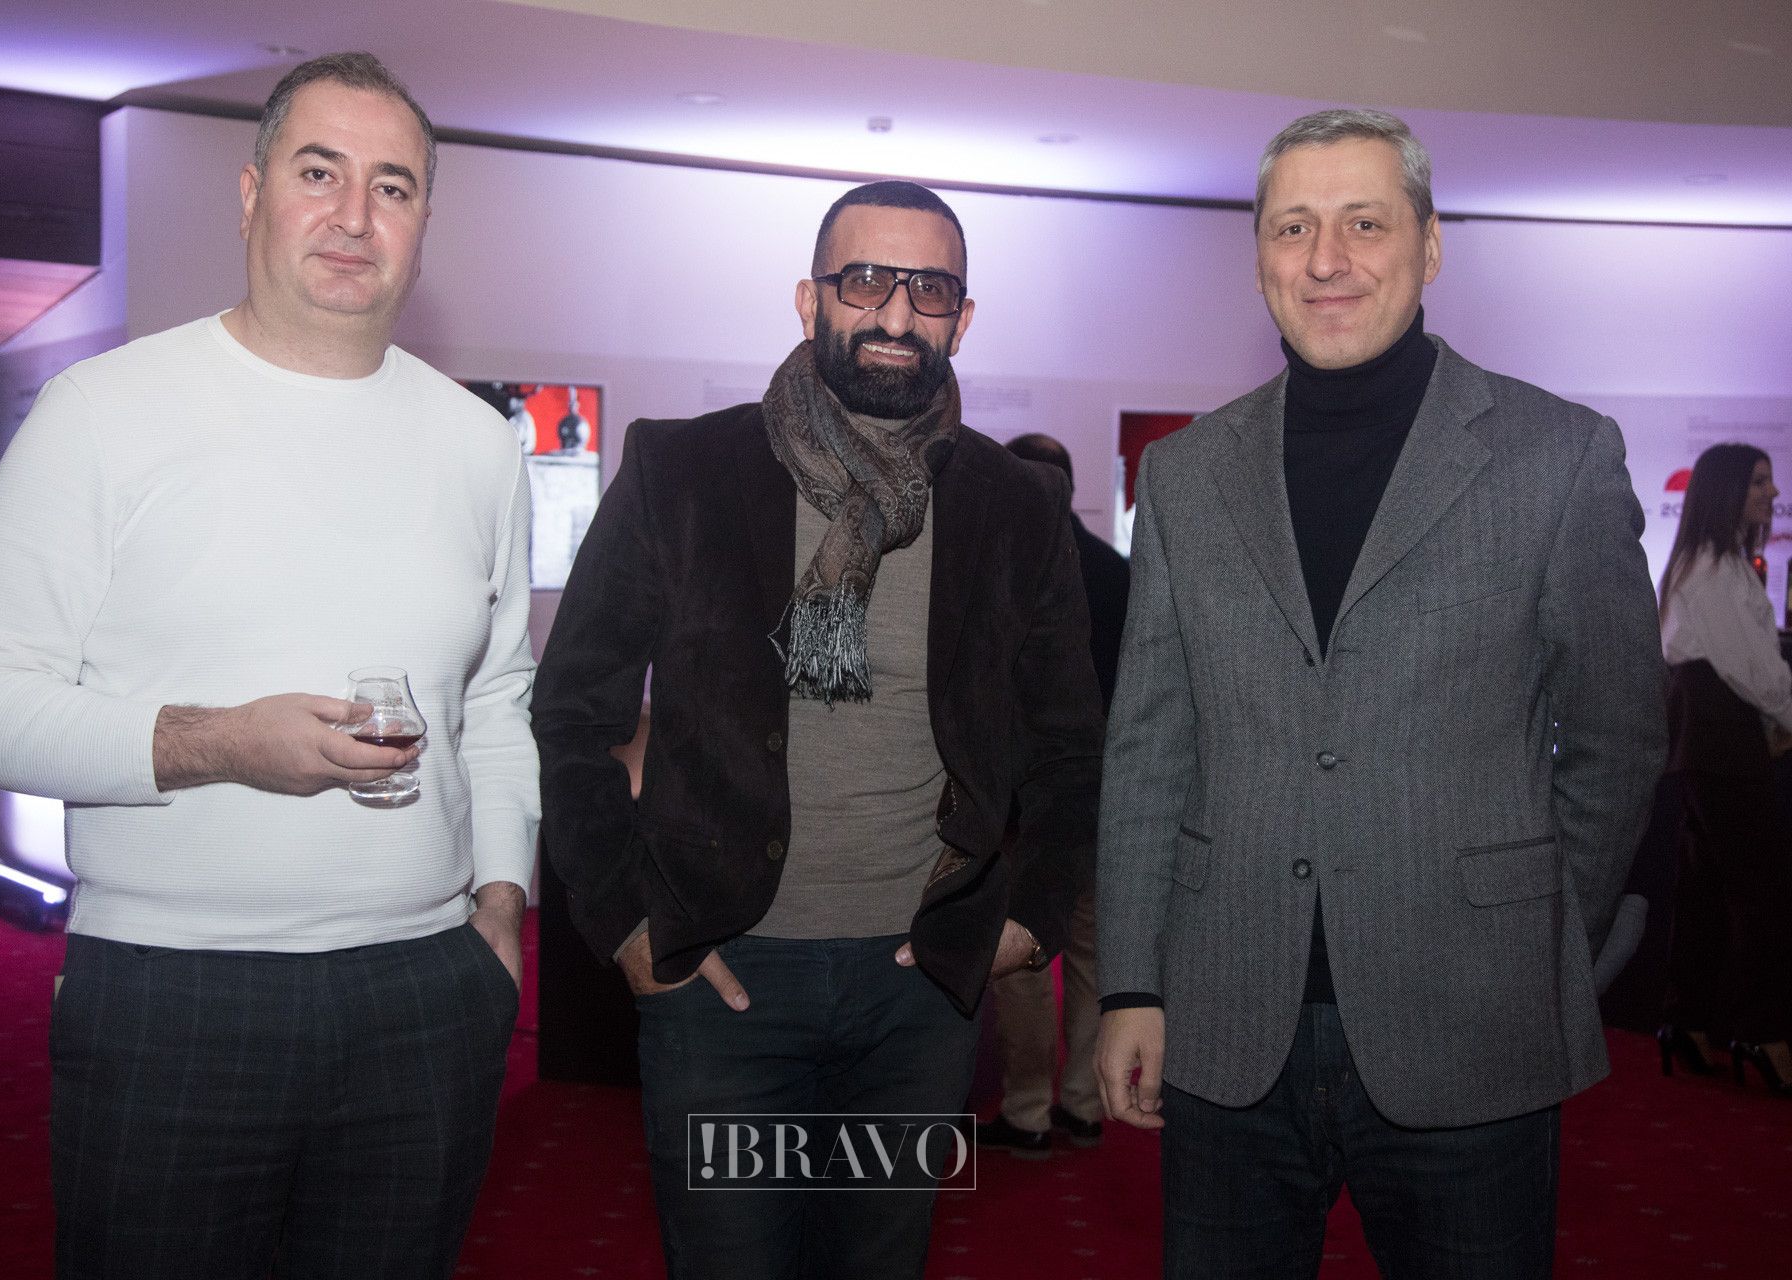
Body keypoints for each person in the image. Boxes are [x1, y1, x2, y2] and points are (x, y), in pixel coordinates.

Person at [0, 53, 538, 1279]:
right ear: (251, 195)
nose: (354, 215)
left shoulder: (480, 444)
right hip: (174, 992)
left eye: (392, 186)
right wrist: (219, 741)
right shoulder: (102, 411)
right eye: (319, 173)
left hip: (426, 991)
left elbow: (495, 696)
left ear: (424, 221)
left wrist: (501, 911)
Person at [1093, 107, 1667, 1278]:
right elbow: (1151, 743)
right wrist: (1133, 981)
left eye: (1363, 222)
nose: (1326, 259)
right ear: (1259, 253)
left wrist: (1539, 939)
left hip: (1475, 1020)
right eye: (1293, 226)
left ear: (1430, 245)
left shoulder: (1557, 456)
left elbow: (1618, 738)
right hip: (1227, 1016)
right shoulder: (1186, 474)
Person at [532, 180, 1103, 1278]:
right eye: (865, 280)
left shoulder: (1014, 504)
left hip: (919, 992)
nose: (895, 312)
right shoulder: (680, 471)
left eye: (928, 289)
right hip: (719, 980)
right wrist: (626, 923)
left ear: (962, 318)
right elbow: (572, 710)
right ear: (810, 300)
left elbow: (1072, 743)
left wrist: (1028, 922)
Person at [978, 432, 1128, 1157]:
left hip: (1024, 804)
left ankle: (1028, 1110)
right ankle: (1085, 1105)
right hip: (1107, 797)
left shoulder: (1000, 570)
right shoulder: (1117, 572)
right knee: (1096, 953)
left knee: (1022, 955)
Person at [1655, 442, 1792, 1094]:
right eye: (1759, 482)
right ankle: (1759, 1032)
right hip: (1722, 741)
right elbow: (1757, 673)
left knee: (1706, 891)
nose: (1773, 493)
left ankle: (1689, 1022)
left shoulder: (1711, 562)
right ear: (1727, 490)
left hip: (1710, 739)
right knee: (1761, 893)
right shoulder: (1713, 568)